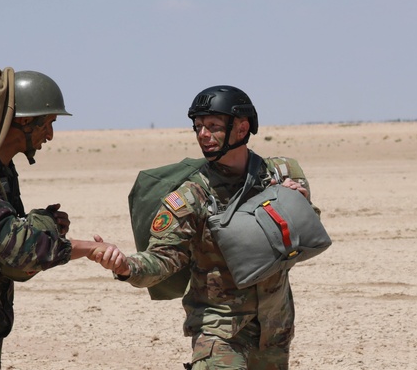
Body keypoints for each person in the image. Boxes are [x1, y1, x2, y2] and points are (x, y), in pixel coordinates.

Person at [95, 85, 321, 369]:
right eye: (198, 126)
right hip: (219, 331)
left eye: (213, 126)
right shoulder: (191, 196)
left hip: (274, 327)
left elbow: (307, 239)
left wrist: (294, 204)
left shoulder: (282, 173)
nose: (203, 134)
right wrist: (125, 266)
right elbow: (163, 259)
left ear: (242, 128)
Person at [0, 47, 113, 369]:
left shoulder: (0, 172)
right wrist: (82, 247)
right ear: (23, 122)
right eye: (46, 123)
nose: (50, 134)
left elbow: (9, 261)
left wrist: (43, 223)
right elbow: (16, 249)